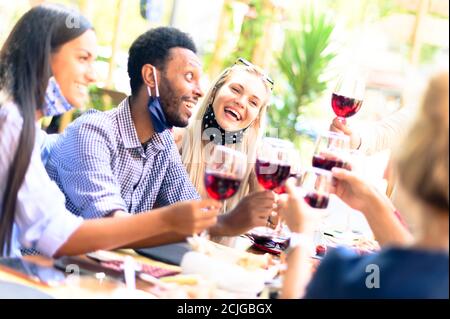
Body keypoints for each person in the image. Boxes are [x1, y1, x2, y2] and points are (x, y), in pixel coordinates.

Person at [0, 4, 220, 257]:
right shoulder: (11, 124)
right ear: (41, 57)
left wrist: (224, 221)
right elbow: (54, 232)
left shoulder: (25, 129)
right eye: (83, 58)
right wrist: (168, 221)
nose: (93, 75)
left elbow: (194, 212)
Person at [46, 26, 240, 245]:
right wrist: (174, 220)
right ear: (150, 76)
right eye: (189, 76)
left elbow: (195, 215)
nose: (200, 91)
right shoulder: (92, 132)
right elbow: (112, 228)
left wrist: (235, 220)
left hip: (106, 271)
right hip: (43, 272)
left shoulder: (162, 144)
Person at [279, 70, 449, 299]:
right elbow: (418, 265)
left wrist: (301, 234)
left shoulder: (352, 275)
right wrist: (370, 201)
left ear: (408, 163)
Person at [179, 59, 278, 240]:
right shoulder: (178, 138)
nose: (241, 102)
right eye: (235, 89)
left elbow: (268, 224)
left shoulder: (255, 161)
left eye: (253, 102)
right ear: (215, 91)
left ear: (256, 118)